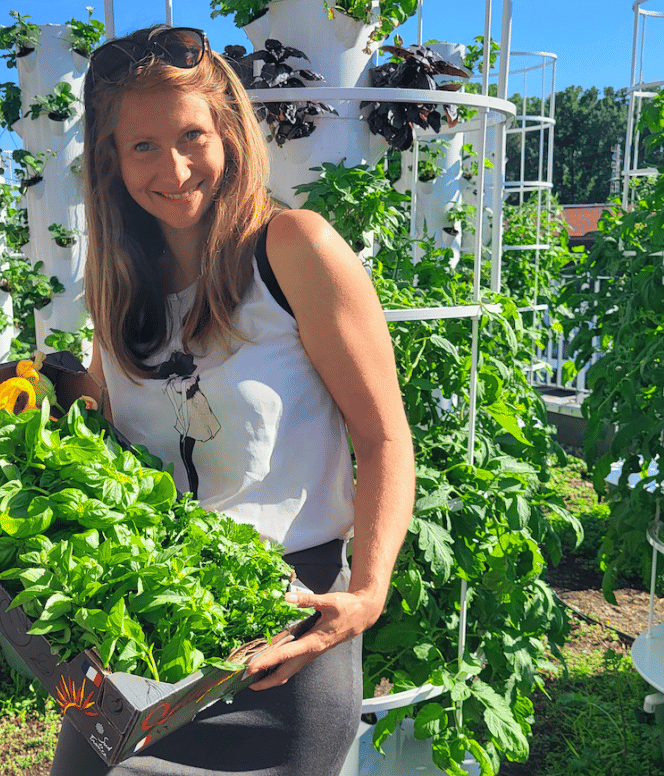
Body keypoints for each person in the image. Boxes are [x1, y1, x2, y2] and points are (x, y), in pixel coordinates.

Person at [52, 24, 415, 776]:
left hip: (280, 642)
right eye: (143, 146)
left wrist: (369, 594)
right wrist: (10, 398)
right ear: (111, 163)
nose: (175, 167)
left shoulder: (294, 250)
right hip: (141, 628)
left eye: (193, 135)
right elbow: (120, 441)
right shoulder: (120, 289)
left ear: (228, 133)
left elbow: (384, 439)